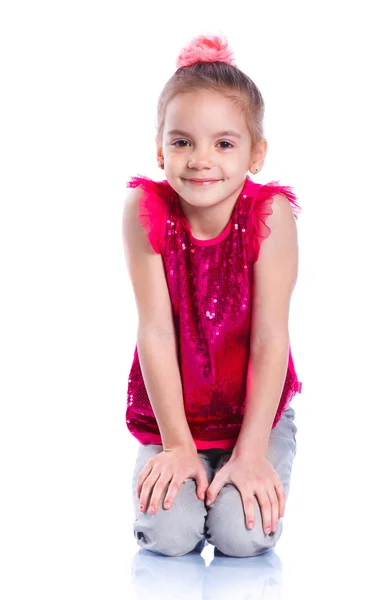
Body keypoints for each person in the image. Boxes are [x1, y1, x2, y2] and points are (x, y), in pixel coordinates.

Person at [122, 33, 302, 558]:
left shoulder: (270, 217)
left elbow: (271, 338)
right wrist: (177, 445)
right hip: (173, 412)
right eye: (182, 142)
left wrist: (249, 453)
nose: (202, 160)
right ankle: (185, 468)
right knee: (169, 538)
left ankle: (236, 466)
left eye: (224, 143)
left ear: (256, 153)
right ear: (161, 150)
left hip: (254, 413)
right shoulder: (145, 211)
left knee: (242, 537)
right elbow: (154, 329)